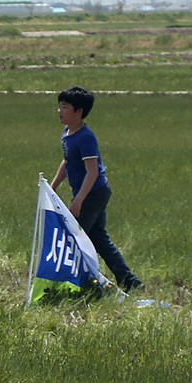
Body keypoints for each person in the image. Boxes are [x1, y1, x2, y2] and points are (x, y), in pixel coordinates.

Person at [51, 86, 141, 291]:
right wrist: (53, 186)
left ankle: (84, 284)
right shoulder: (67, 133)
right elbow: (67, 162)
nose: (59, 111)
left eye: (65, 107)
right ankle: (130, 281)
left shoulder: (85, 137)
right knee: (99, 240)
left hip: (94, 193)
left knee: (74, 237)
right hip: (87, 193)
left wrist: (79, 200)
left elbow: (92, 172)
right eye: (59, 106)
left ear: (79, 111)